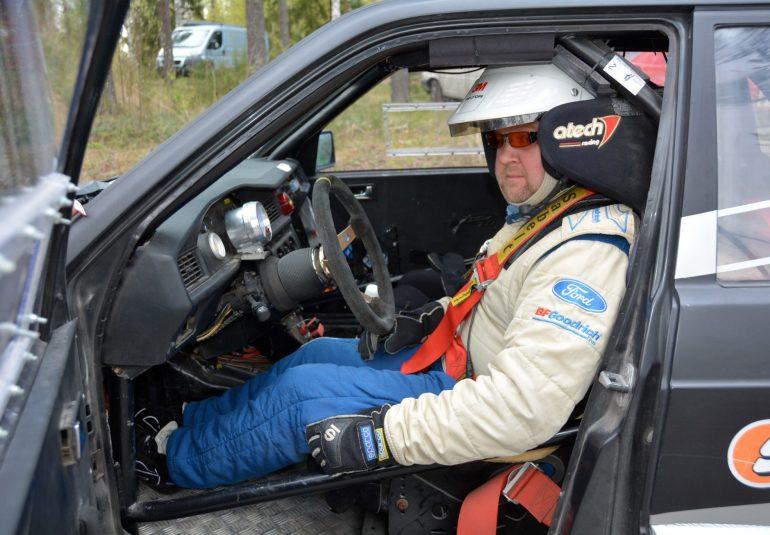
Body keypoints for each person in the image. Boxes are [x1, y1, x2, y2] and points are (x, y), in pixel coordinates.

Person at [140, 63, 636, 489]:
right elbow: (497, 299)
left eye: (525, 137)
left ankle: (170, 463)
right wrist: (428, 319)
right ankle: (190, 423)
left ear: (571, 138)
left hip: (472, 398)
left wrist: (382, 436)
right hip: (454, 362)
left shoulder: (587, 252)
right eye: (497, 139)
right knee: (312, 354)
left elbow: (522, 410)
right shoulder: (548, 213)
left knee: (302, 398)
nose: (506, 156)